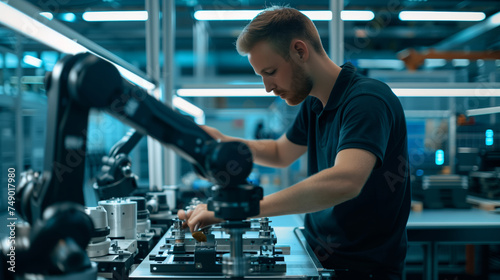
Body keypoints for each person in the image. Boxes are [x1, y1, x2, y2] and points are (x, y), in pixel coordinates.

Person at [178, 5, 411, 280]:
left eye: (271, 71)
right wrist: (221, 140)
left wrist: (239, 209)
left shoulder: (366, 101)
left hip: (364, 270)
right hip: (319, 256)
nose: (267, 86)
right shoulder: (314, 104)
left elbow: (346, 180)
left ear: (300, 51)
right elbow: (280, 152)